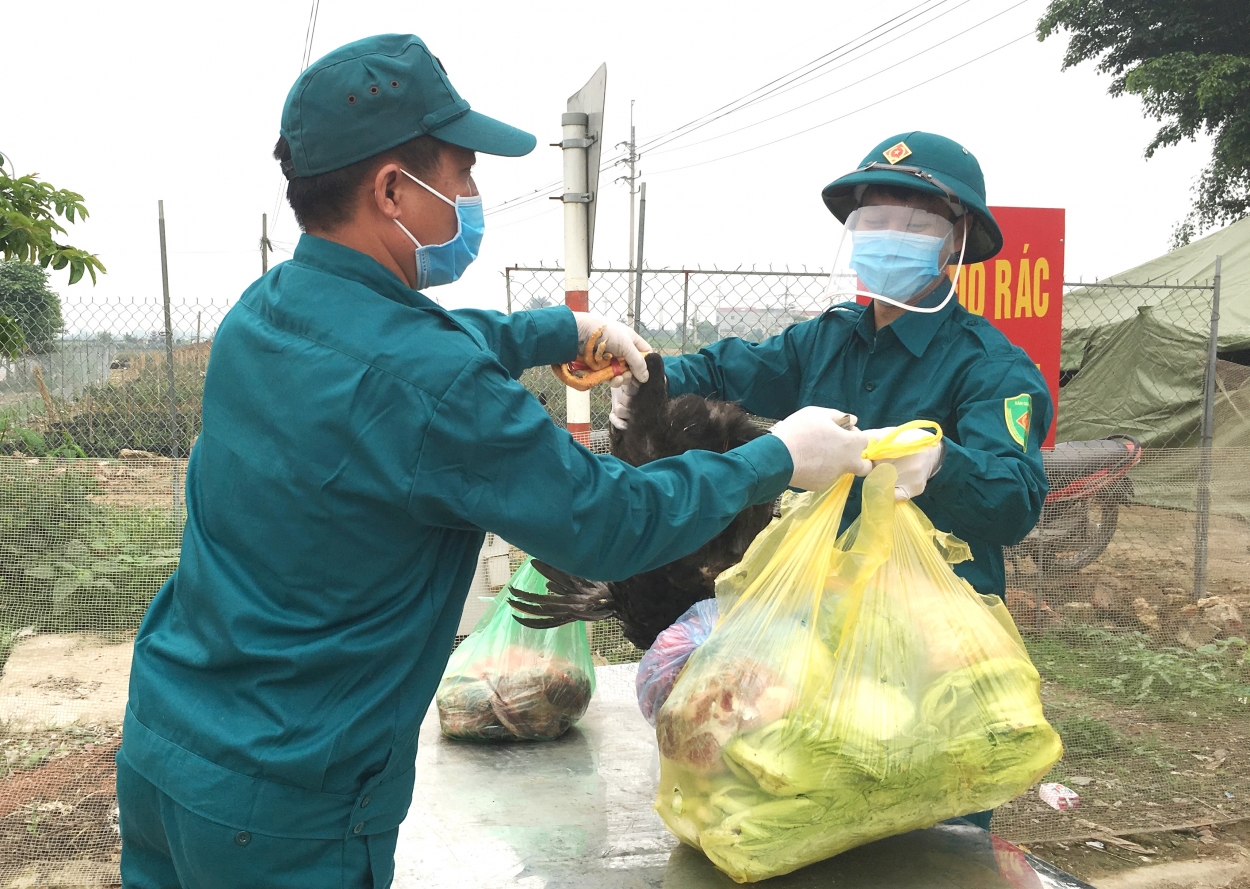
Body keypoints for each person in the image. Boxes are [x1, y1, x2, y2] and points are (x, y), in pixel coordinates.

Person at [115, 34, 873, 889]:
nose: (473, 196)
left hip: (165, 746)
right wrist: (778, 456)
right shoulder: (432, 383)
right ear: (393, 189)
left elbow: (410, 348)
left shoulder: (264, 313)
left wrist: (562, 328)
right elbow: (609, 521)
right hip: (286, 807)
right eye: (464, 173)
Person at [612, 131, 1052, 830]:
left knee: (926, 839)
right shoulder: (827, 340)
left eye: (914, 223)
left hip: (931, 656)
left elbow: (1015, 498)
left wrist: (937, 464)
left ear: (957, 239)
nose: (887, 237)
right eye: (872, 220)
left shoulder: (992, 369)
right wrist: (645, 374)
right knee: (803, 817)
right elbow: (730, 369)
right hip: (812, 642)